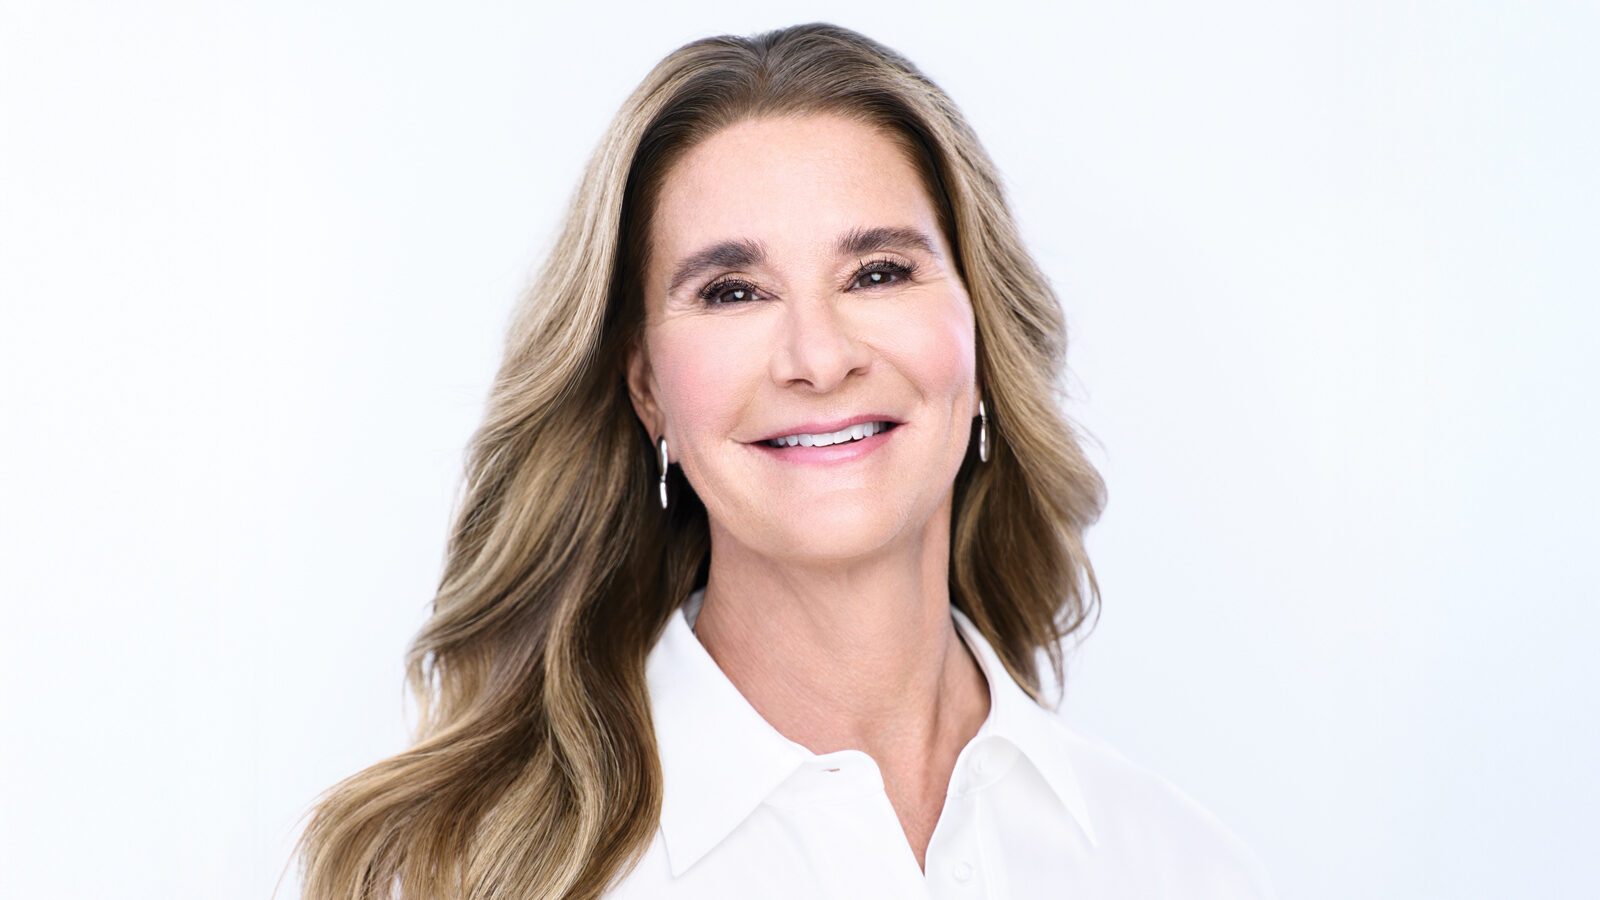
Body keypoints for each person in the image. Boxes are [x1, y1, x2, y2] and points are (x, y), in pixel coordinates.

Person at [292, 21, 1277, 900]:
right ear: (646, 389)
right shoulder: (443, 874)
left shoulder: (1180, 868)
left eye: (878, 271)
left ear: (980, 344)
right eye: (731, 291)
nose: (818, 356)